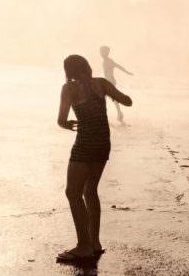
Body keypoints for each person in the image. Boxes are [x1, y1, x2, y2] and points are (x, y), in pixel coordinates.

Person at [56, 55, 132, 263]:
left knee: (73, 193)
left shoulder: (69, 88)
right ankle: (95, 243)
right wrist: (114, 95)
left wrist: (68, 124)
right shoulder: (101, 83)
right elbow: (128, 101)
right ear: (87, 67)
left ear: (69, 71)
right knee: (90, 191)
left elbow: (61, 120)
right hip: (102, 144)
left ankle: (83, 246)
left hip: (84, 145)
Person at [98, 46, 133, 124]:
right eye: (100, 52)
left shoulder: (109, 61)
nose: (101, 53)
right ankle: (119, 114)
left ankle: (118, 115)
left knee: (110, 99)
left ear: (106, 52)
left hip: (109, 82)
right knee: (110, 99)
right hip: (107, 82)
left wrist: (127, 72)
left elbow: (118, 66)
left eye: (102, 52)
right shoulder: (105, 60)